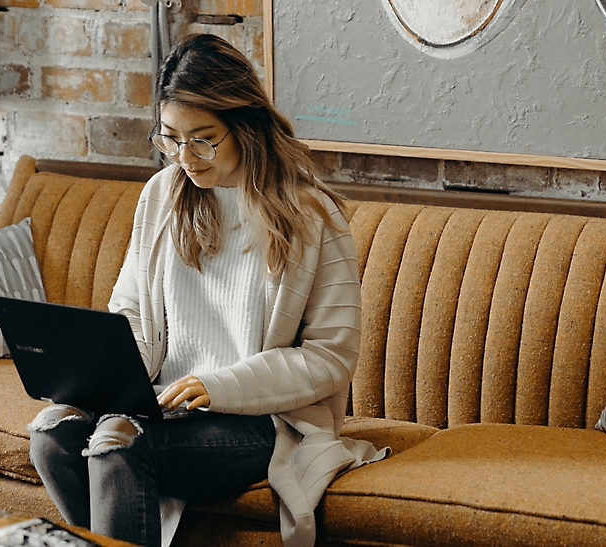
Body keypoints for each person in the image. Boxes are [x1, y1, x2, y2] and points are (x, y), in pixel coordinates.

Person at [28, 33, 386, 547]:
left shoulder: (309, 215)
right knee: (52, 436)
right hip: (160, 404)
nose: (185, 157)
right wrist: (99, 375)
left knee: (117, 443)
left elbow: (331, 356)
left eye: (202, 138)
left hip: (260, 420)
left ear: (245, 125)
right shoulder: (162, 195)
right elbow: (129, 309)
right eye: (170, 139)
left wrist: (219, 386)